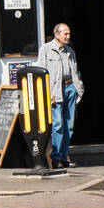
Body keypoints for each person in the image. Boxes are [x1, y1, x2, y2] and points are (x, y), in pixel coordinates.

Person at [38, 22, 84, 169]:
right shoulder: (46, 49)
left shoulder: (70, 51)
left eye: (69, 33)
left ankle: (63, 156)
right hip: (55, 91)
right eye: (65, 33)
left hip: (70, 88)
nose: (68, 36)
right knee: (57, 124)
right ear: (57, 35)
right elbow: (41, 72)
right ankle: (56, 157)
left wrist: (78, 88)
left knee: (69, 125)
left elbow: (75, 71)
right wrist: (47, 93)